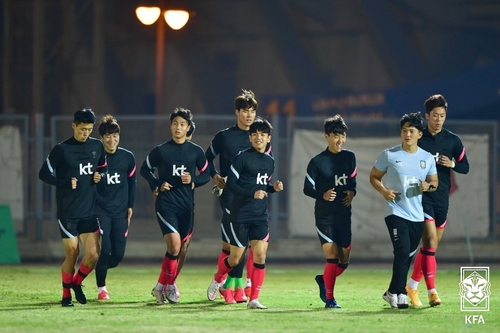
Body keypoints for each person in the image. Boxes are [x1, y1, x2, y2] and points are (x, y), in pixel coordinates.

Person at [206, 117, 283, 309]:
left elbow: (261, 186)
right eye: (255, 134)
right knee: (235, 259)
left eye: (263, 134)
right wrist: (252, 193)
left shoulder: (269, 161)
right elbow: (231, 185)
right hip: (240, 214)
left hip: (259, 215)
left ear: (268, 138)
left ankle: (254, 299)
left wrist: (273, 188)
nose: (259, 138)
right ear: (250, 137)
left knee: (260, 255)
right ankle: (218, 279)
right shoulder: (241, 158)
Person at [38, 107, 107, 307]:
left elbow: (102, 168)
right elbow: (44, 173)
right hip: (68, 211)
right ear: (73, 125)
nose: (85, 133)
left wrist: (99, 176)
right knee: (72, 254)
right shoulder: (62, 149)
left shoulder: (97, 147)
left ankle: (76, 283)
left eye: (89, 130)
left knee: (93, 255)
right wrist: (65, 182)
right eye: (82, 129)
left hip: (88, 210)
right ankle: (66, 294)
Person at [369, 112, 438, 309]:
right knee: (401, 250)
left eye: (411, 131)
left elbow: (434, 182)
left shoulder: (426, 158)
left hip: (417, 214)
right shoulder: (389, 155)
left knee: (407, 254)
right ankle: (399, 293)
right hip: (395, 211)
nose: (407, 134)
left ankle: (393, 291)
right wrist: (383, 190)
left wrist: (428, 186)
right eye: (404, 131)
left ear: (419, 135)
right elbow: (374, 176)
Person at [406, 94, 470, 307]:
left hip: (443, 198)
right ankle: (432, 291)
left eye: (442, 115)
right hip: (423, 197)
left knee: (429, 248)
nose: (439, 119)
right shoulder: (419, 139)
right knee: (430, 242)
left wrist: (452, 164)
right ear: (427, 116)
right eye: (435, 115)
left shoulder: (453, 140)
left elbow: (465, 167)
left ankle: (412, 285)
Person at [141, 108, 209, 304]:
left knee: (182, 249)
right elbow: (145, 169)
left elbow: (206, 174)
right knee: (174, 245)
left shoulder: (195, 151)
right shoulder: (161, 150)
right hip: (166, 203)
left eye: (182, 124)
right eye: (175, 123)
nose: (178, 127)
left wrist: (194, 180)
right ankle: (171, 286)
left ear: (188, 128)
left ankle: (161, 286)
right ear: (170, 126)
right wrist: (157, 183)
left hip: (186, 205)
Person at [303, 115, 357, 309]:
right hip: (325, 216)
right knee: (332, 256)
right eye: (335, 136)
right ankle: (330, 299)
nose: (340, 140)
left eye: (342, 135)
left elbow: (352, 183)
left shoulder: (349, 157)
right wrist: (323, 195)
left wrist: (352, 192)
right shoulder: (317, 162)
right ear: (326, 136)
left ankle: (323, 279)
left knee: (344, 261)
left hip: (344, 215)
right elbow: (307, 188)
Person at [94, 115, 137, 300]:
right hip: (101, 210)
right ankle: (101, 288)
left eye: (115, 136)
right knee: (105, 249)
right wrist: (93, 179)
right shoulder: (95, 157)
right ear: (102, 138)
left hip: (120, 212)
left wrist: (130, 207)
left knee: (117, 255)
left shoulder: (127, 157)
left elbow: (132, 183)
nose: (112, 140)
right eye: (108, 136)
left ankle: (97, 267)